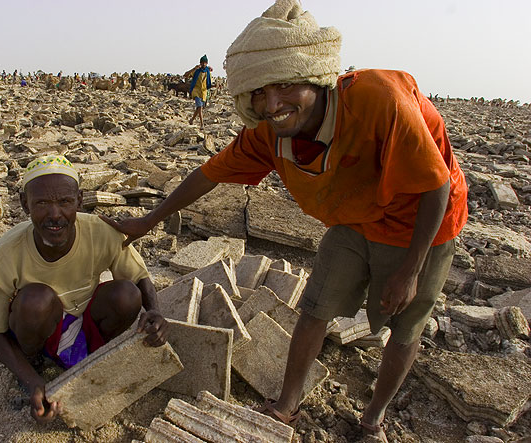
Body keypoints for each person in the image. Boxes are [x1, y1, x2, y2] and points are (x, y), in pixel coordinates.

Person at [104, 1, 468, 441]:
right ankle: (286, 405)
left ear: (315, 76)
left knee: (405, 327)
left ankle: (372, 418)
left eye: (285, 85)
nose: (272, 103)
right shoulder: (269, 134)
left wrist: (409, 271)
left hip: (422, 225)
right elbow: (207, 174)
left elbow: (435, 186)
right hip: (354, 221)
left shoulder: (380, 100)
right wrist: (149, 219)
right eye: (258, 91)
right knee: (315, 308)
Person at [0, 155, 168, 422]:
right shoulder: (8, 253)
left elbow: (139, 277)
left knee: (127, 295)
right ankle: (36, 361)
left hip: (85, 321)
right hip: (39, 328)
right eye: (41, 203)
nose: (55, 215)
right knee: (36, 301)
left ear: (79, 200)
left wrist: (154, 311)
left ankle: (95, 353)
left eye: (64, 202)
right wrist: (30, 380)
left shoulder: (100, 232)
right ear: (24, 204)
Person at [184, 55, 213, 129]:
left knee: (199, 108)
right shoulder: (196, 71)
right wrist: (193, 69)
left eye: (205, 63)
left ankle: (191, 120)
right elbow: (186, 75)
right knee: (199, 107)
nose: (203, 64)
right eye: (202, 63)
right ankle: (202, 124)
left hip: (203, 92)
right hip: (196, 90)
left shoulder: (207, 72)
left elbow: (209, 83)